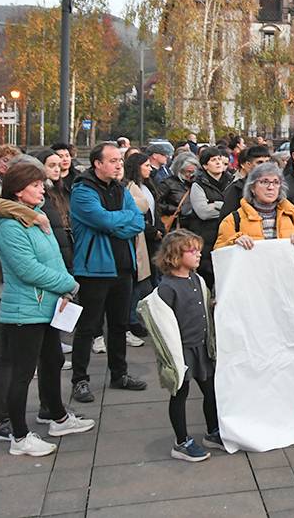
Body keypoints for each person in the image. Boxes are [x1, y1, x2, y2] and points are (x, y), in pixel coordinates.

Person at [0, 162, 95, 456]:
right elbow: (27, 269)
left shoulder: (36, 219)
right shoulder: (10, 227)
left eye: (42, 185)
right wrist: (68, 283)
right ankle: (20, 436)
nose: (42, 190)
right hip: (25, 308)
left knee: (52, 361)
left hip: (46, 303)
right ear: (18, 190)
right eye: (36, 185)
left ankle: (56, 416)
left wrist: (63, 287)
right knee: (22, 373)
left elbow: (53, 259)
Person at [68, 142, 148, 404]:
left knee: (119, 325)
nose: (118, 165)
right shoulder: (82, 191)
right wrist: (117, 222)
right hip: (94, 269)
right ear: (97, 164)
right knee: (88, 326)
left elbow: (137, 222)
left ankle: (119, 374)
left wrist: (116, 224)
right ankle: (79, 380)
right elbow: (101, 220)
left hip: (123, 266)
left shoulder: (120, 189)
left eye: (120, 161)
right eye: (112, 160)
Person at [140, 229, 223, 462]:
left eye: (198, 249)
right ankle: (181, 442)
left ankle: (212, 431)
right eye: (192, 250)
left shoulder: (197, 279)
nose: (198, 254)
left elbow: (204, 305)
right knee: (180, 394)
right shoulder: (167, 288)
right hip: (182, 352)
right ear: (175, 255)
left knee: (210, 391)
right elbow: (160, 321)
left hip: (201, 348)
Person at [215, 162, 294, 250]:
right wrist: (234, 242)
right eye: (264, 182)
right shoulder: (234, 219)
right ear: (252, 188)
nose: (271, 187)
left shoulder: (292, 215)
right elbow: (219, 253)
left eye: (276, 182)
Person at [124, 152, 164, 343]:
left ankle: (145, 317)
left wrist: (159, 229)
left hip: (153, 238)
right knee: (139, 283)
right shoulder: (129, 187)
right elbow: (137, 214)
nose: (150, 169)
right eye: (146, 165)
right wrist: (151, 231)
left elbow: (155, 209)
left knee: (151, 279)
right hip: (142, 239)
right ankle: (131, 321)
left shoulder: (148, 185)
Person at [186, 146, 233, 288]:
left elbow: (237, 207)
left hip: (227, 235)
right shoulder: (198, 184)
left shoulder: (231, 181)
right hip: (206, 238)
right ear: (205, 165)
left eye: (219, 159)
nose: (218, 163)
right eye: (213, 160)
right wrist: (225, 206)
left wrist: (215, 204)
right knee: (207, 278)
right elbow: (203, 212)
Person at [220, 145, 271, 218]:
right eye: (260, 162)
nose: (265, 166)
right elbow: (226, 220)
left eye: (267, 162)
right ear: (248, 164)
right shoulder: (237, 189)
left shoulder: (276, 187)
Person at [158, 152, 199, 230]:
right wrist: (173, 209)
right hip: (177, 225)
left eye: (193, 172)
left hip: (195, 225)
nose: (190, 175)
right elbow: (156, 204)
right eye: (188, 171)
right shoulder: (167, 183)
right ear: (179, 169)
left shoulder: (196, 183)